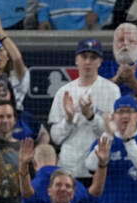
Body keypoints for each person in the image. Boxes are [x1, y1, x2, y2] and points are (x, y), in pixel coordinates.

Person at [48, 39, 119, 180]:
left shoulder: (111, 91)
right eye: (84, 56)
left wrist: (90, 116)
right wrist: (68, 119)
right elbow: (55, 138)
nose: (88, 62)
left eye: (93, 57)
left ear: (99, 62)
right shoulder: (64, 92)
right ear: (76, 60)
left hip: (97, 169)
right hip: (68, 170)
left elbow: (113, 134)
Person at [37, 0, 113, 29]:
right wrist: (43, 20)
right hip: (57, 33)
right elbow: (43, 5)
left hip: (88, 28)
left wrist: (97, 12)